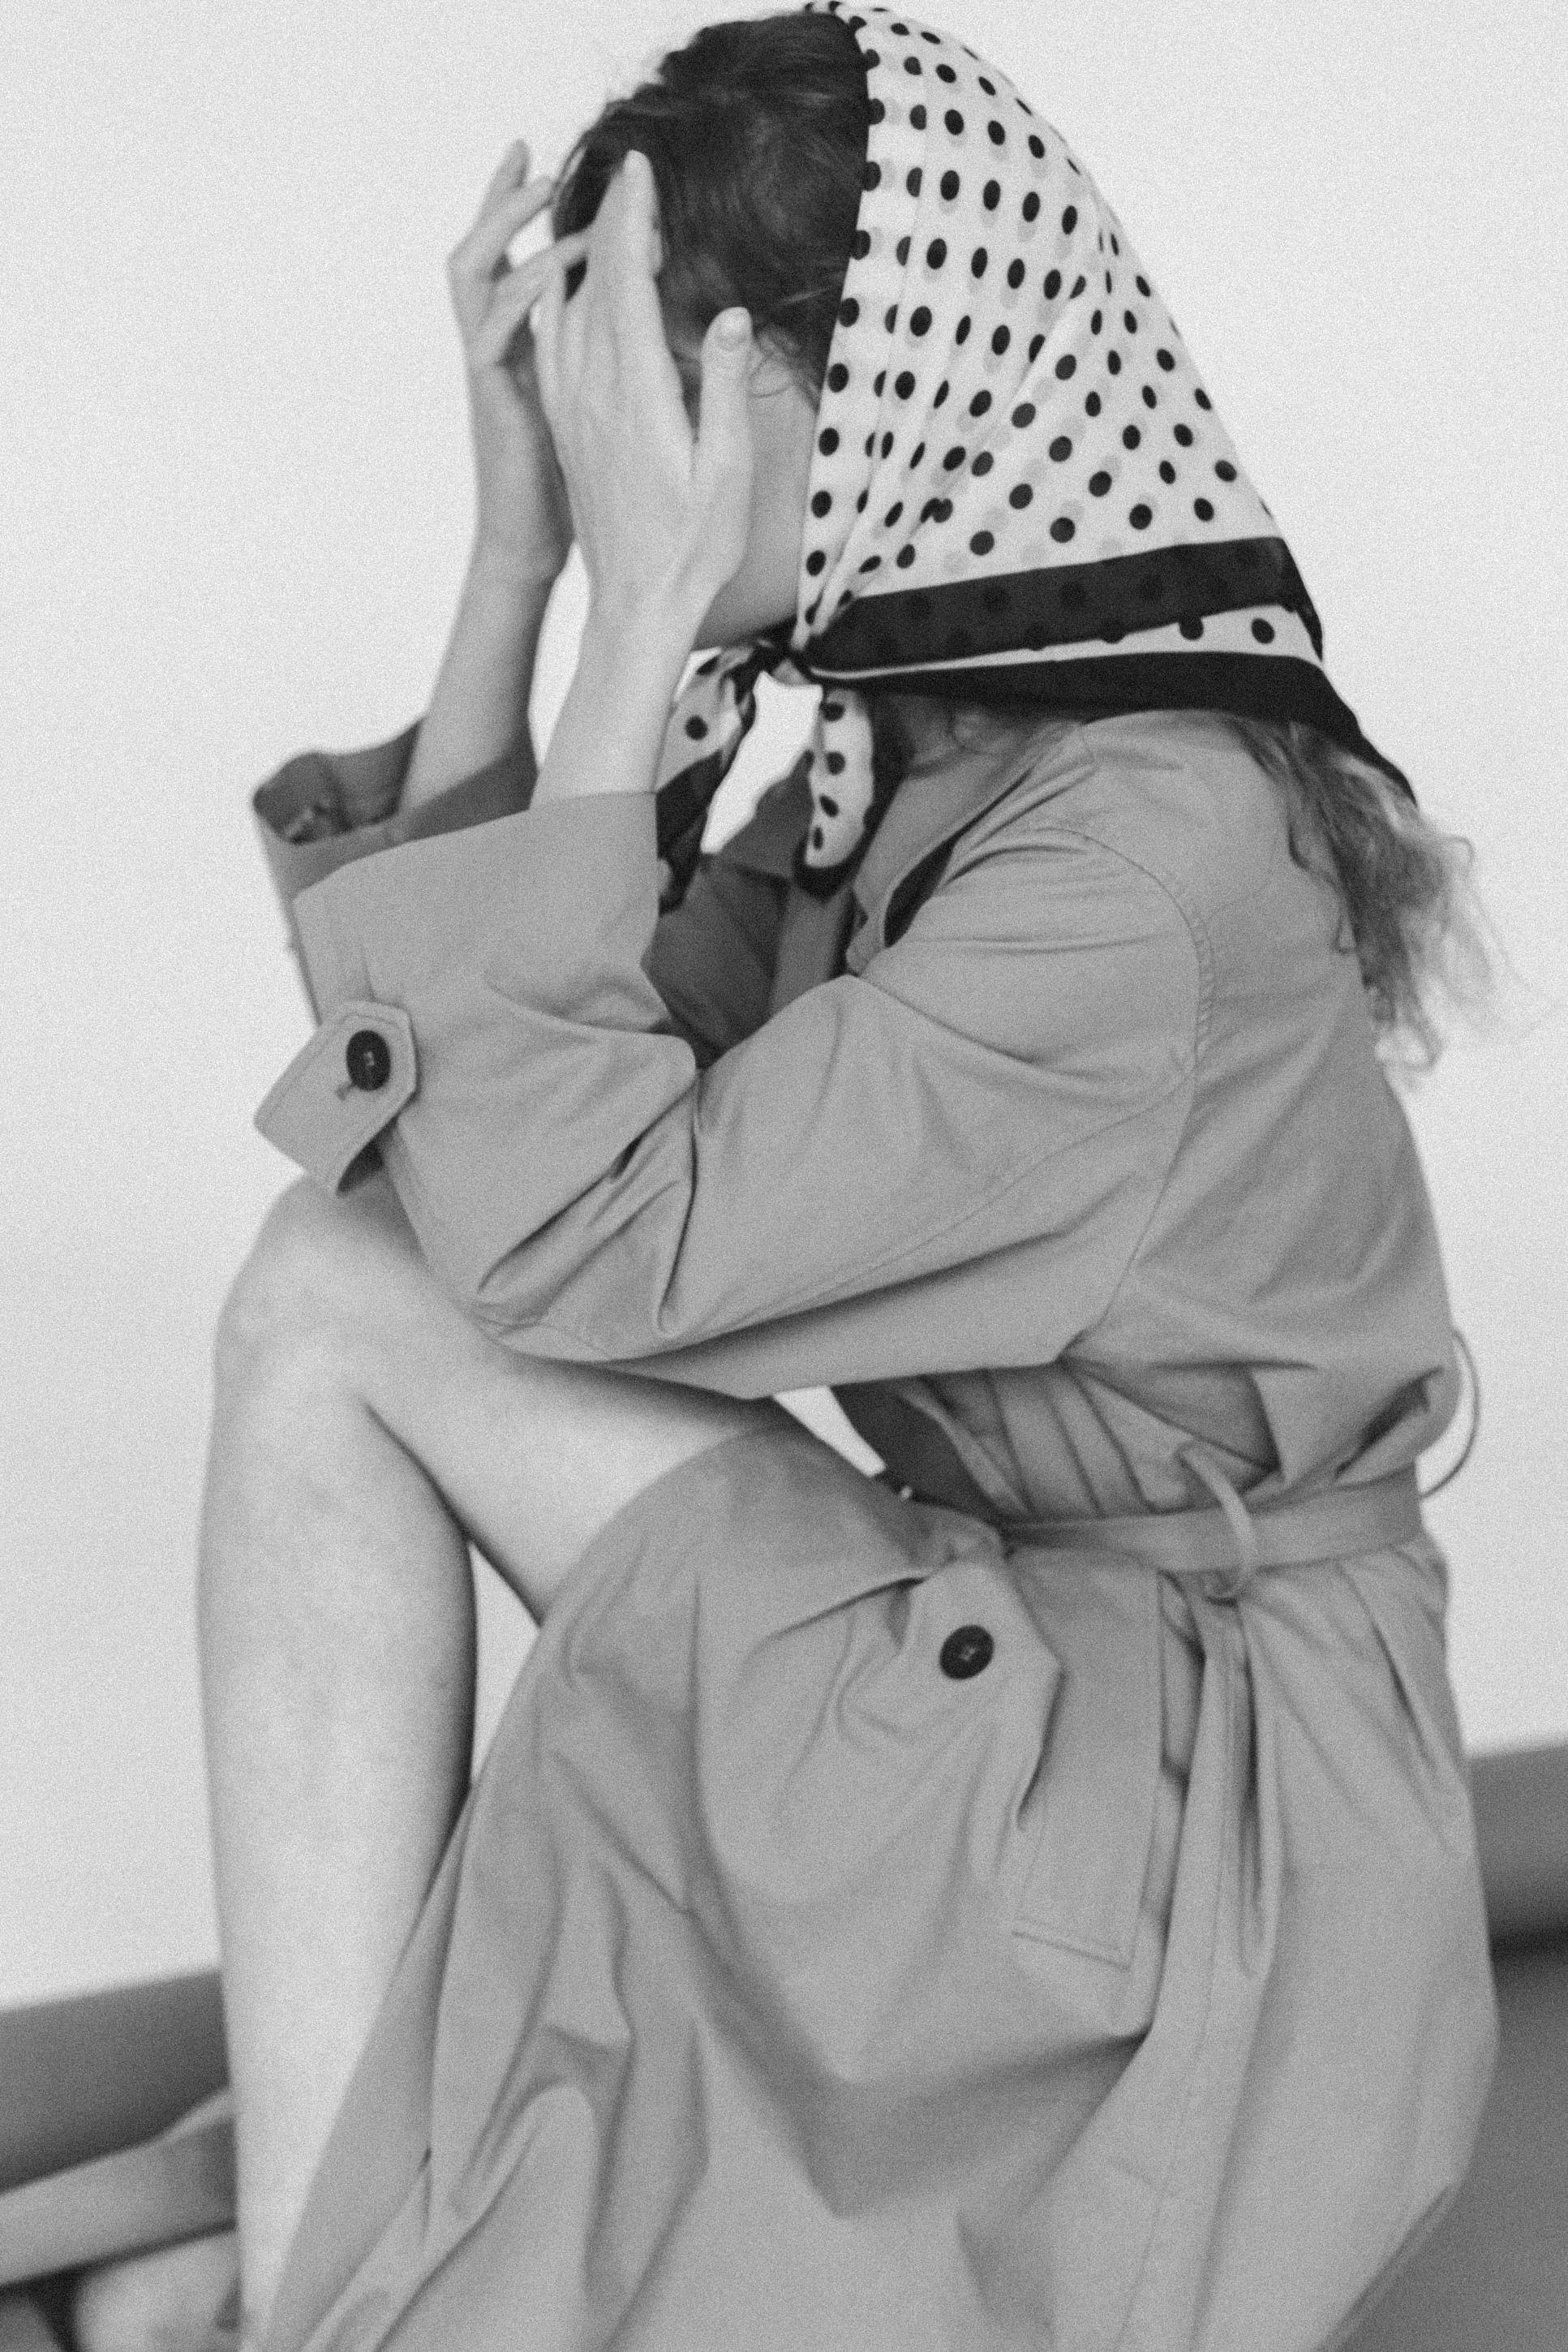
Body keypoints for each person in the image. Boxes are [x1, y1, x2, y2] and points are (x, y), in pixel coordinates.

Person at [69, 5, 1499, 2348]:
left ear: (817, 397)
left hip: (1199, 1893)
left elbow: (572, 1238)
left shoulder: (1126, 870)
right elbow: (465, 1132)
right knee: (344, 1273)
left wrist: (636, 622)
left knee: (329, 1303)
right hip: (1050, 1723)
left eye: (634, 394)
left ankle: (327, 2295)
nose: (599, 443)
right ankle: (342, 2256)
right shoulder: (905, 763)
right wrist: (521, 571)